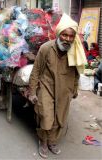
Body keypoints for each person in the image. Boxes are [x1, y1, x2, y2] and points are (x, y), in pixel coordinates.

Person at [29, 13, 87, 158]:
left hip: (64, 90)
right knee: (46, 117)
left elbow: (76, 74)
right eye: (64, 35)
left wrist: (74, 90)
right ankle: (43, 141)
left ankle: (52, 142)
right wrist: (32, 92)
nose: (67, 39)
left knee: (59, 118)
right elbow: (36, 71)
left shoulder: (75, 52)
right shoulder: (46, 48)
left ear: (74, 38)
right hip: (47, 88)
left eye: (71, 36)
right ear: (59, 34)